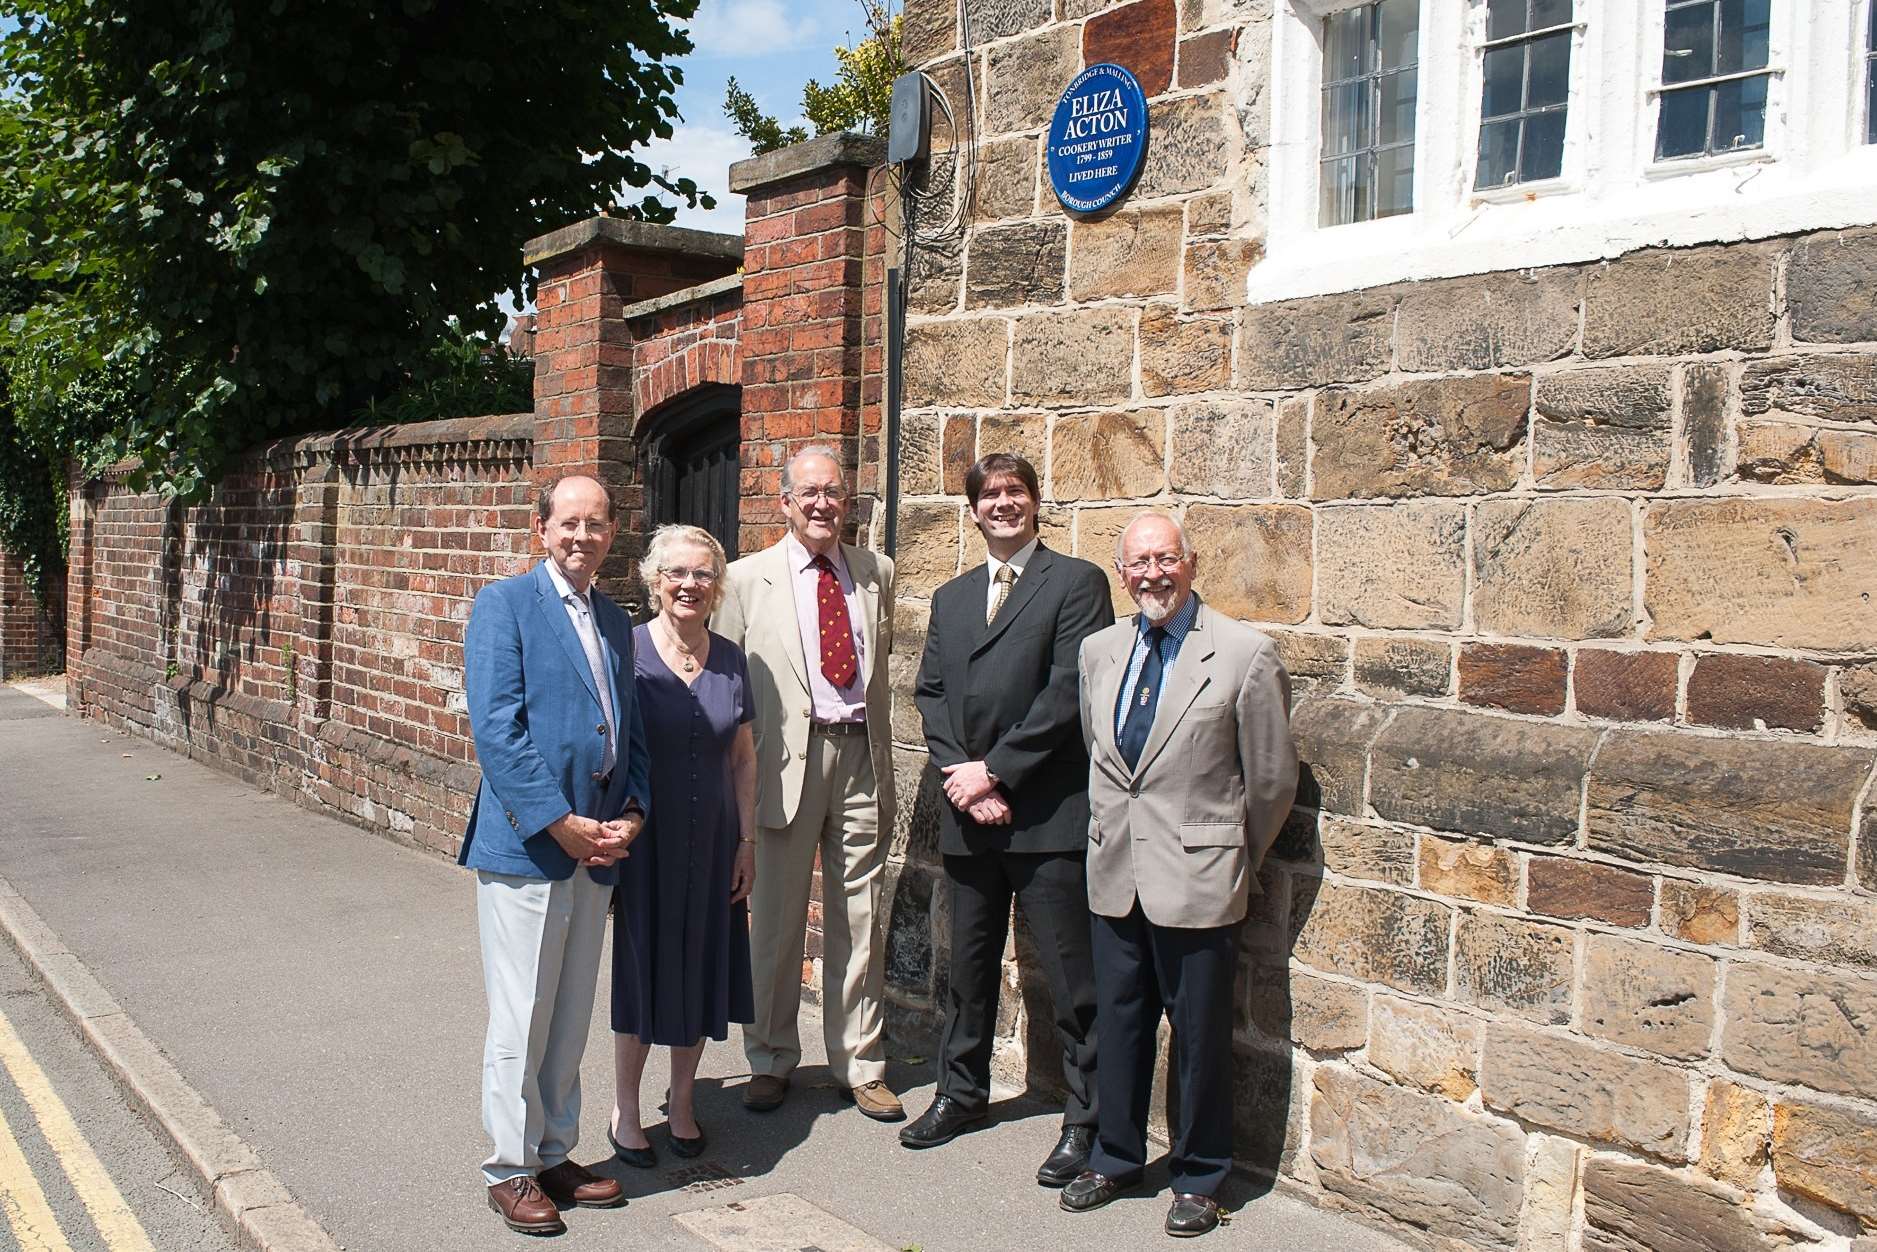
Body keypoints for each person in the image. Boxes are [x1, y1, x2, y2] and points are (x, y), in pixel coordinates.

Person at [1065, 513, 1298, 1238]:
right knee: (1120, 1022)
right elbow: (1099, 756)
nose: (1151, 575)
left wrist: (1229, 856)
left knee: (1198, 1035)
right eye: (1137, 563)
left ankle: (1199, 1174)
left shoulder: (1241, 654)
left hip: (1198, 877)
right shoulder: (1099, 651)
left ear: (1191, 564)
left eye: (1164, 559)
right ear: (1121, 571)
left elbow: (1270, 780)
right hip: (1114, 870)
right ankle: (1115, 1156)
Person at [901, 453, 1112, 1189]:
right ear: (972, 509)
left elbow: (1066, 692)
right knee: (966, 969)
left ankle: (1087, 1122)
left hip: (1045, 812)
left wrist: (994, 771)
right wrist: (963, 779)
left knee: (1068, 976)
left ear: (1034, 502)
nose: (1002, 504)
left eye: (1014, 492)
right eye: (988, 495)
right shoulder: (952, 596)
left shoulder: (1076, 583)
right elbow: (929, 693)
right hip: (970, 818)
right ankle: (960, 1094)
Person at [461, 473, 649, 1235]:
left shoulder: (613, 619)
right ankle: (509, 1167)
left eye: (596, 524)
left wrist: (632, 812)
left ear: (612, 534)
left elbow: (626, 731)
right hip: (528, 848)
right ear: (541, 530)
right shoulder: (504, 605)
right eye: (568, 523)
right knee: (522, 1013)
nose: (582, 536)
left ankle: (552, 1149)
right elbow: (496, 730)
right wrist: (557, 821)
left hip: (596, 849)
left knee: (569, 1012)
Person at [711, 445, 902, 1121]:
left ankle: (861, 1062)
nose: (823, 504)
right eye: (810, 493)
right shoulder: (742, 581)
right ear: (785, 502)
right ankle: (767, 1056)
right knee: (777, 921)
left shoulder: (875, 572)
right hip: (782, 765)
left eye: (835, 493)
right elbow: (724, 688)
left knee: (860, 917)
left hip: (858, 758)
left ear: (846, 503)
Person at [608, 525, 757, 1167]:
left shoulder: (730, 657)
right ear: (654, 581)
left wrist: (747, 841)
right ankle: (626, 1109)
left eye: (702, 574)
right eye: (677, 573)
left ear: (717, 585)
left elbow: (745, 758)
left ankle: (684, 1100)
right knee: (644, 968)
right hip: (648, 839)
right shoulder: (629, 650)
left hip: (716, 835)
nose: (689, 584)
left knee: (699, 964)